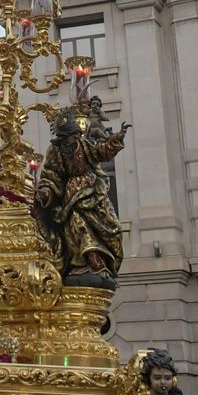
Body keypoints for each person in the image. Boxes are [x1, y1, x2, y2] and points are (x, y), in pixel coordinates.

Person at [35, 108, 129, 277]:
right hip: (72, 196)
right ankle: (90, 263)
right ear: (63, 137)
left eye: (76, 135)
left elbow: (102, 151)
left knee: (109, 226)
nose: (75, 138)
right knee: (78, 226)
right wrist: (46, 191)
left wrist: (117, 138)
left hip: (93, 190)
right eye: (71, 136)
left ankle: (103, 260)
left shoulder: (84, 144)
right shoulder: (55, 151)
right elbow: (52, 175)